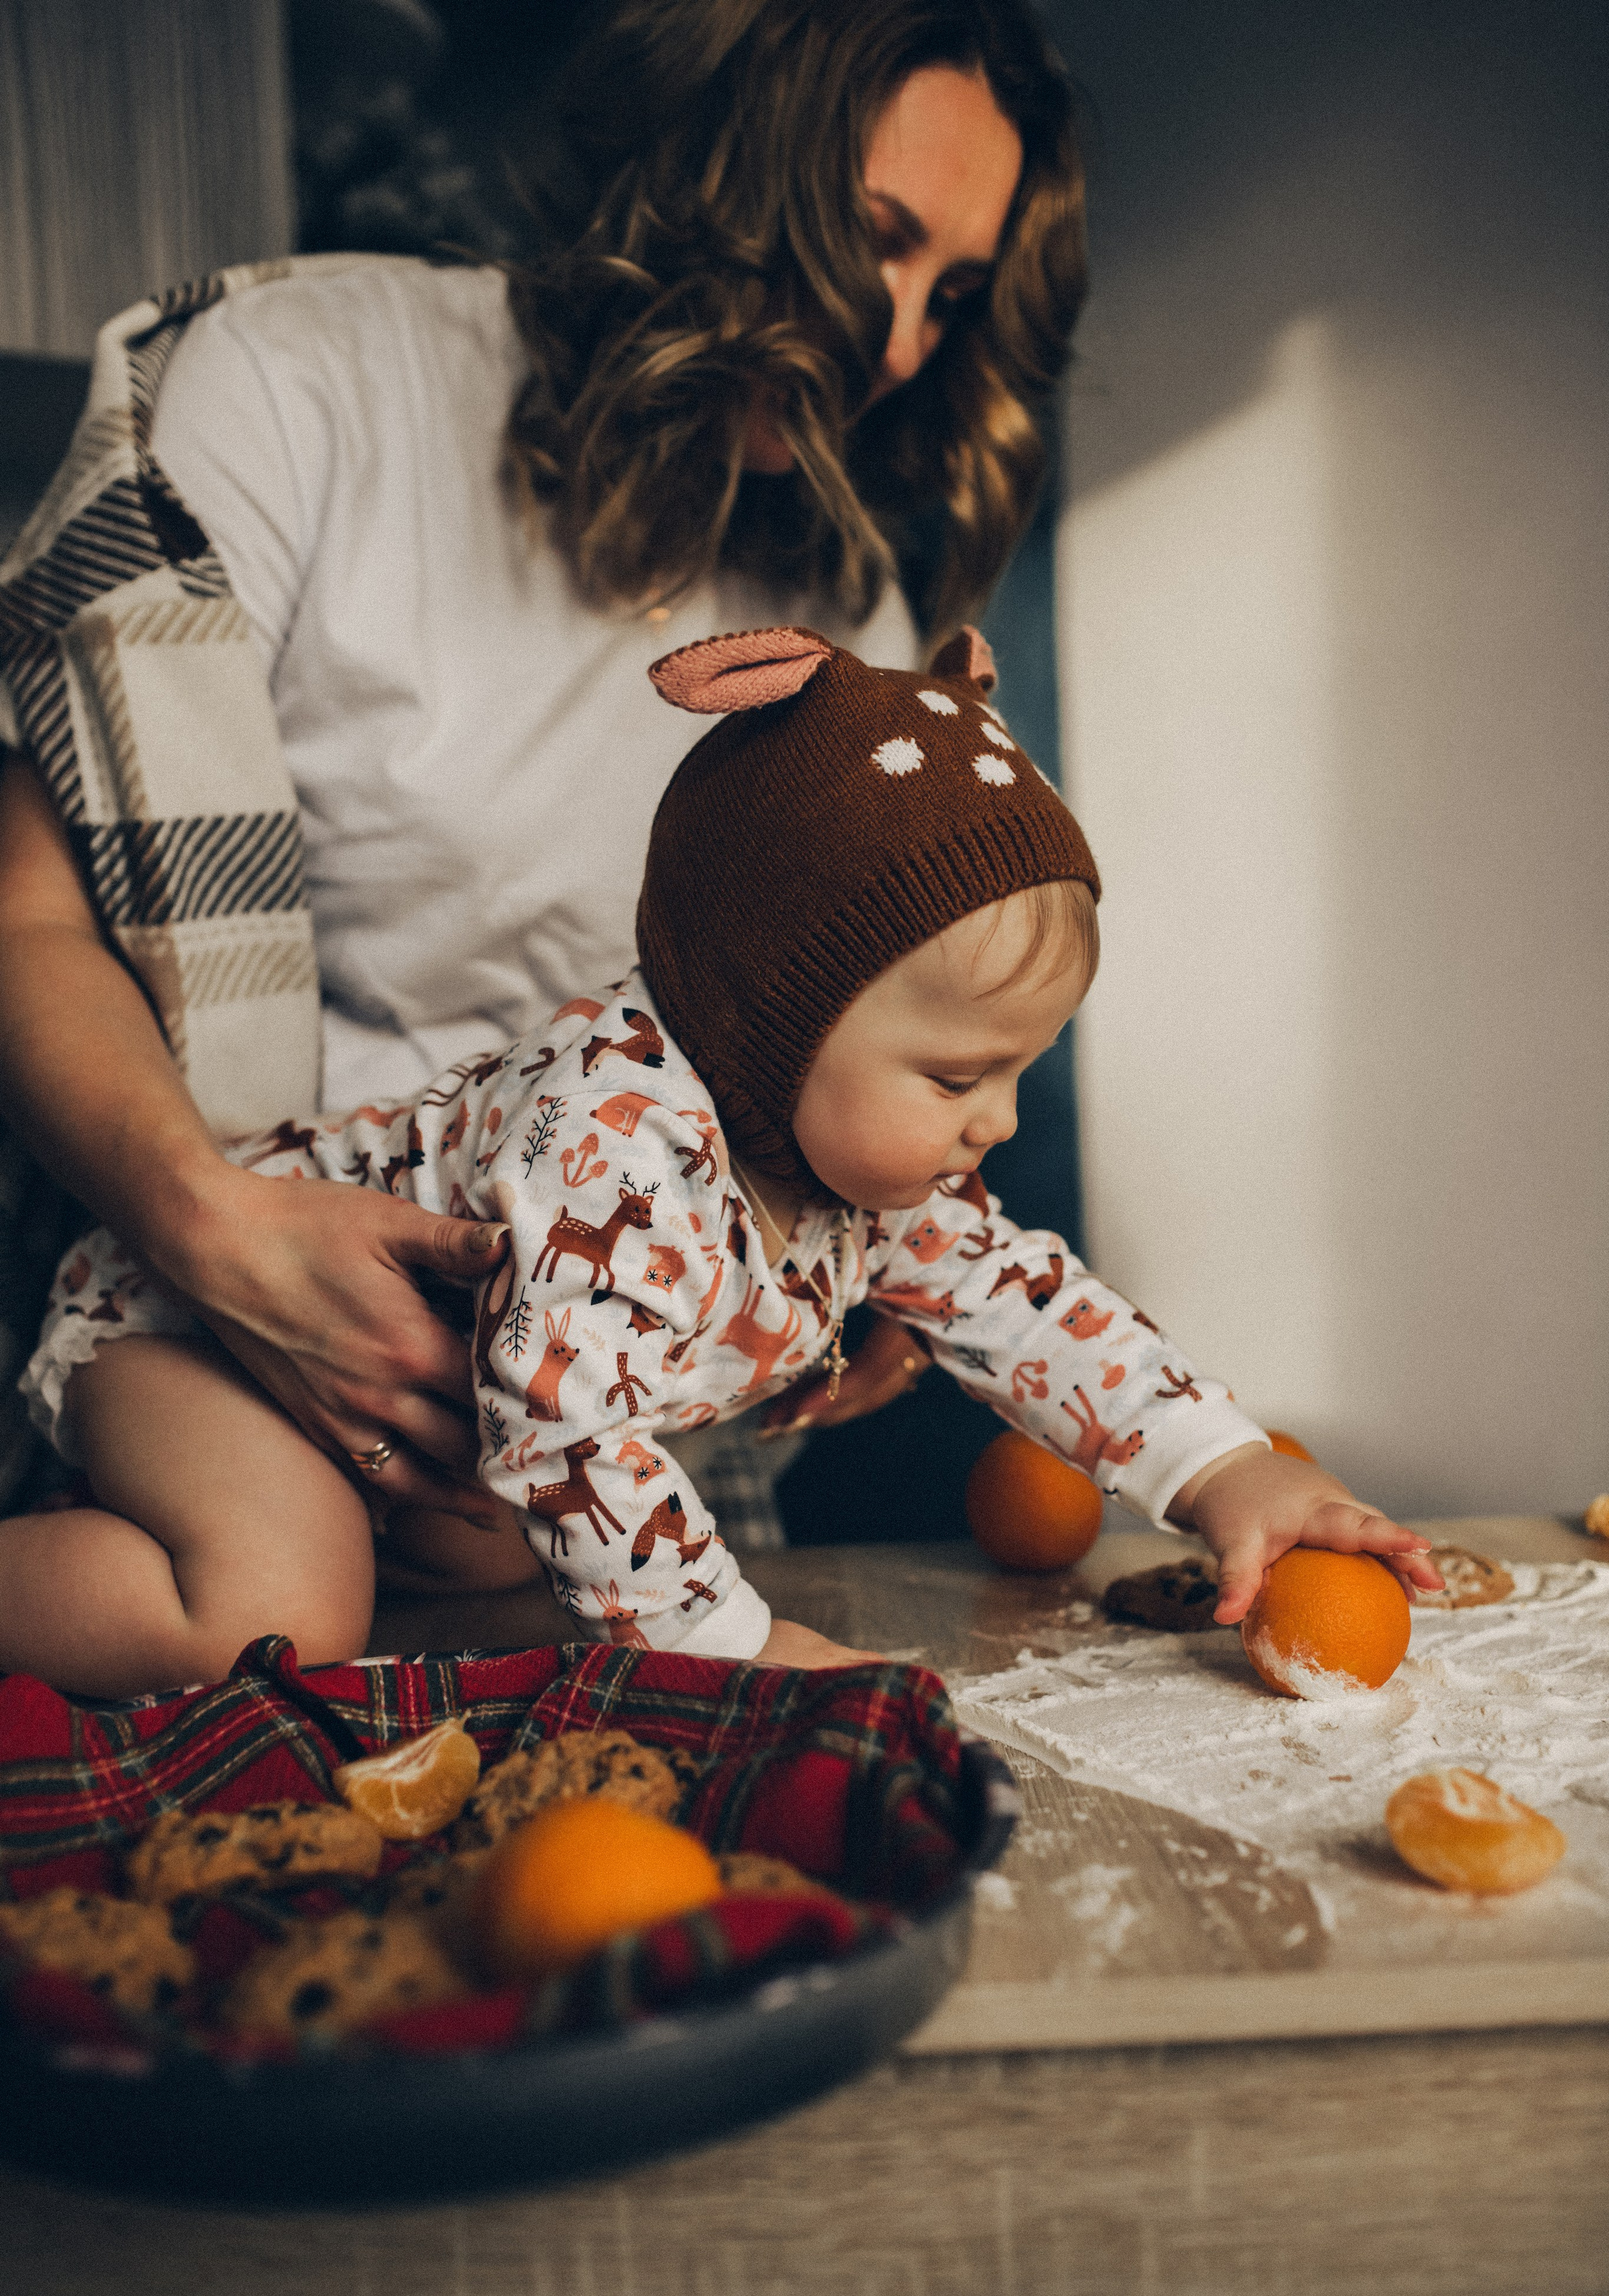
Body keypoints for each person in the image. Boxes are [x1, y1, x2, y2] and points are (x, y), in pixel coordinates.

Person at [0, 0, 1086, 1549]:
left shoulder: (841, 613)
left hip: (593, 1411)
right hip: (234, 1322)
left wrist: (876, 1222)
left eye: (952, 292)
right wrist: (219, 1235)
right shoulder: (300, 383)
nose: (903, 339)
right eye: (872, 236)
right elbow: (29, 922)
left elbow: (870, 1030)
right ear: (710, 159)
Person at [0, 627, 1442, 1696]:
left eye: (1018, 1071)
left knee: (530, 1593)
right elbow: (566, 1431)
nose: (994, 1122)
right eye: (956, 1076)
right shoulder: (611, 1139)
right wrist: (731, 1646)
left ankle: (383, 1645)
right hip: (195, 1331)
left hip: (416, 1444)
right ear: (767, 1018)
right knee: (274, 1610)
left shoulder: (871, 1176)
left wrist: (1222, 1471)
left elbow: (1024, 1306)